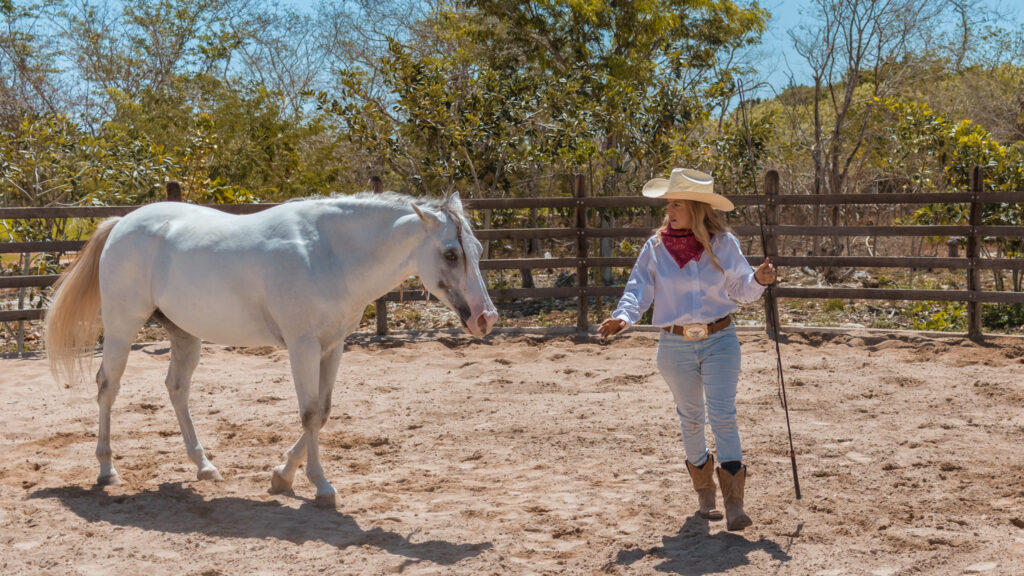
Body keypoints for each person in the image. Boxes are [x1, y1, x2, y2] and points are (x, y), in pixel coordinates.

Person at [598, 168, 776, 531]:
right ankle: (705, 494)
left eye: (676, 204)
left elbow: (740, 288)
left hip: (720, 339)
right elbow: (638, 290)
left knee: (723, 414)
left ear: (696, 207)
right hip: (675, 344)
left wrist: (758, 279)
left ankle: (734, 503)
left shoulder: (724, 243)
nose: (669, 210)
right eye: (668, 204)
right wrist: (622, 318)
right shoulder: (655, 248)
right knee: (691, 417)